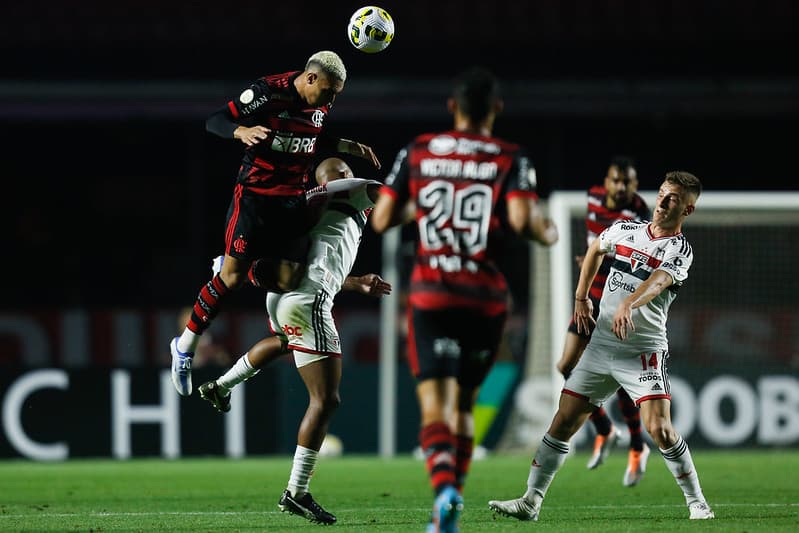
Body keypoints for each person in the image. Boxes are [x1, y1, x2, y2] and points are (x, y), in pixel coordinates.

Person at [370, 67, 558, 533]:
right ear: (496, 108)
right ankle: (454, 499)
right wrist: (547, 229)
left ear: (451, 107)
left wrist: (427, 203)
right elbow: (521, 220)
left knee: (435, 408)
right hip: (486, 300)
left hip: (432, 294)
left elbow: (382, 219)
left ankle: (444, 495)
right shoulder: (509, 156)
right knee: (465, 408)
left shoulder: (419, 150)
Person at [489, 171, 715, 522]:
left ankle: (697, 502)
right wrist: (581, 297)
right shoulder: (626, 230)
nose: (663, 201)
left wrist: (629, 303)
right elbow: (596, 248)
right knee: (562, 422)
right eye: (662, 194)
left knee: (660, 430)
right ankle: (530, 501)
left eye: (674, 199)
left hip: (642, 351)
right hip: (601, 346)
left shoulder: (678, 249)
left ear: (688, 210)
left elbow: (658, 282)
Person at [170, 50, 381, 397]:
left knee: (293, 278)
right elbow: (215, 120)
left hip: (291, 200)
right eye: (328, 91)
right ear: (311, 78)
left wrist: (347, 145)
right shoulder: (268, 93)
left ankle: (237, 266)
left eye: (336, 95)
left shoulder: (320, 104)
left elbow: (310, 139)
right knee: (231, 280)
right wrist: (240, 131)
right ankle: (184, 347)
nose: (331, 99)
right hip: (254, 197)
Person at [199, 157, 390, 525]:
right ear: (342, 176)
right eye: (347, 170)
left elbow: (321, 258)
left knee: (283, 340)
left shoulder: (309, 201)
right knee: (326, 399)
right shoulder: (352, 188)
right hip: (309, 300)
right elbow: (394, 196)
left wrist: (355, 282)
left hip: (287, 295)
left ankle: (221, 386)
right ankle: (297, 492)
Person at [555, 156, 653, 486]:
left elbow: (639, 263)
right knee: (566, 365)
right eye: (616, 180)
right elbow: (595, 241)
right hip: (588, 300)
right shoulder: (592, 197)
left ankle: (638, 446)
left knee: (616, 374)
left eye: (627, 182)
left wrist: (603, 260)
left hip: (614, 302)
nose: (621, 187)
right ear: (607, 182)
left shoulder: (639, 214)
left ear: (635, 186)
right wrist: (590, 258)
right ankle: (606, 429)